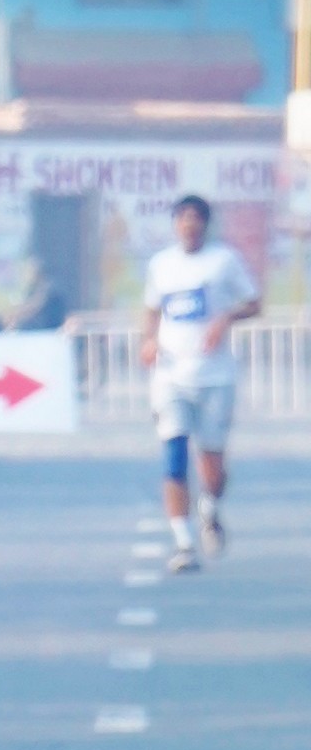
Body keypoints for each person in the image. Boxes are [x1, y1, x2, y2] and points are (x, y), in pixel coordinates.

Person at [141, 191, 261, 571]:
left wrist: (225, 319)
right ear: (175, 225)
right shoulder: (162, 265)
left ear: (205, 225)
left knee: (212, 463)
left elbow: (254, 303)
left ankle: (210, 507)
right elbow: (152, 309)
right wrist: (148, 340)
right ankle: (184, 544)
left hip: (215, 375)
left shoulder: (224, 261)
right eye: (183, 220)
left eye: (196, 220)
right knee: (174, 456)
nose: (189, 227)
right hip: (170, 375)